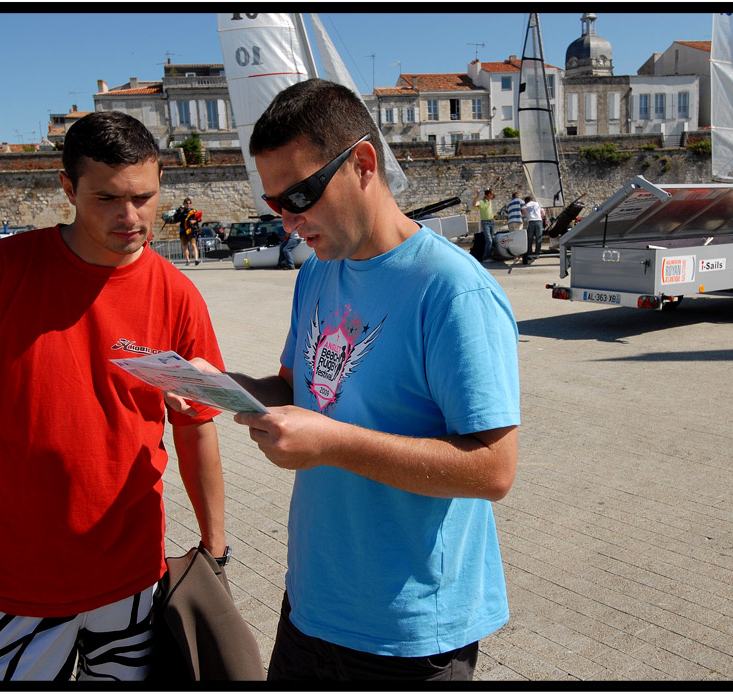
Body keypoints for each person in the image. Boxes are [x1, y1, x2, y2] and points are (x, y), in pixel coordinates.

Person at [191, 78, 520, 681]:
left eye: (300, 196)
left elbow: (493, 470)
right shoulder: (318, 273)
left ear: (362, 163)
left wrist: (332, 443)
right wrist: (220, 383)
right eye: (273, 205)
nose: (288, 222)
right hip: (313, 605)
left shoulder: (452, 291)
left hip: (412, 632)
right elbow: (299, 392)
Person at [0, 111, 228, 681]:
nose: (131, 218)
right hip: (17, 584)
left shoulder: (177, 295)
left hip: (133, 580)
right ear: (67, 188)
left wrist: (215, 549)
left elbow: (196, 425)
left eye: (145, 198)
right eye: (107, 199)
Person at [471, 188, 497, 262]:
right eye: (492, 194)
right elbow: (474, 204)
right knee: (489, 240)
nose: (493, 195)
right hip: (485, 223)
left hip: (491, 222)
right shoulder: (481, 202)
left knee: (492, 240)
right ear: (488, 194)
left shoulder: (490, 201)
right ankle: (486, 257)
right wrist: (477, 195)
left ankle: (490, 256)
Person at [523, 195, 546, 263]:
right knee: (538, 238)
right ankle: (537, 253)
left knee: (530, 238)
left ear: (526, 201)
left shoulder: (526, 206)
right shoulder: (538, 204)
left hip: (531, 222)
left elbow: (523, 214)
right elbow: (543, 214)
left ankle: (529, 253)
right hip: (538, 221)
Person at [178, 197, 200, 266]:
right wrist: (180, 212)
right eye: (186, 203)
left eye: (189, 203)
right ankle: (188, 260)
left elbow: (199, 219)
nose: (188, 205)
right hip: (183, 230)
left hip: (191, 230)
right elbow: (177, 219)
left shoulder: (193, 211)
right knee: (185, 246)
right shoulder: (181, 212)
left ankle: (196, 260)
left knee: (193, 245)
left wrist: (195, 221)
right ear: (184, 204)